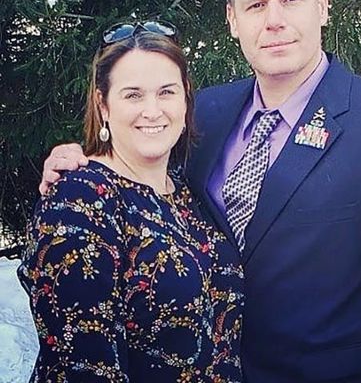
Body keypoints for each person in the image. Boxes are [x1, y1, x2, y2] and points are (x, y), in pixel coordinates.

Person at [39, 0, 361, 383]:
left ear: (322, 5)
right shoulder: (207, 113)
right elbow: (140, 180)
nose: (273, 19)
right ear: (233, 19)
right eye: (255, 5)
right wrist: (79, 161)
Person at [19, 23, 244, 382]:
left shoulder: (187, 192)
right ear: (102, 105)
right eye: (133, 95)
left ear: (185, 99)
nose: (152, 110)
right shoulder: (80, 200)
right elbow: (84, 366)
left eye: (166, 92)